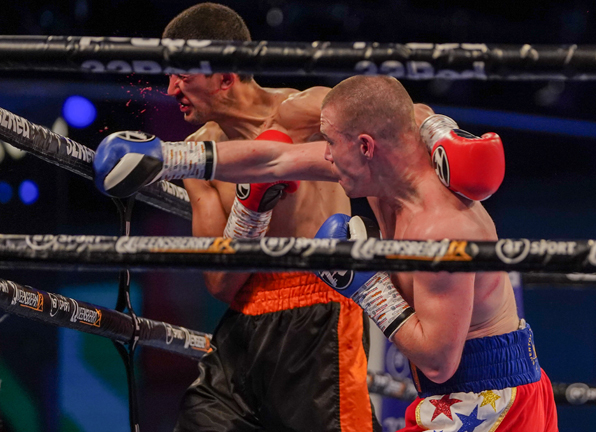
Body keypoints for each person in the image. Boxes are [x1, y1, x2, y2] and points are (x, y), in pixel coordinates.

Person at [95, 75, 556, 431]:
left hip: (493, 401)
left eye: (332, 145)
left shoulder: (442, 227)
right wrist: (168, 158)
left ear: (365, 146)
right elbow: (273, 160)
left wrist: (366, 285)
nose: (326, 157)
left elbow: (438, 359)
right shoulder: (379, 175)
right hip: (456, 395)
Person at [138, 3, 379, 431]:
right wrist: (250, 213)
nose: (171, 87)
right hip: (243, 328)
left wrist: (438, 131)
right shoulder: (196, 158)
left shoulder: (313, 112)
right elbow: (218, 283)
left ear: (226, 78)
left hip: (319, 313)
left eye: (184, 76)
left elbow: (395, 126)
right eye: (170, 74)